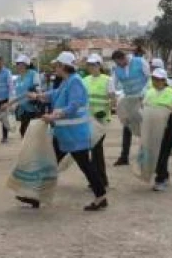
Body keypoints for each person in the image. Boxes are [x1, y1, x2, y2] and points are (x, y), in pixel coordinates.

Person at [24, 51, 109, 211]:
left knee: (85, 166)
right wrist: (38, 96)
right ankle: (35, 196)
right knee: (50, 163)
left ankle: (101, 196)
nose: (54, 68)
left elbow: (74, 105)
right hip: (66, 134)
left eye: (56, 65)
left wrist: (54, 115)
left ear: (63, 66)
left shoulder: (75, 82)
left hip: (75, 135)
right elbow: (55, 94)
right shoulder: (67, 81)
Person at [83, 54, 116, 189]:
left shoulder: (108, 80)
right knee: (92, 150)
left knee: (96, 149)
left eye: (94, 65)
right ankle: (97, 179)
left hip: (101, 119)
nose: (91, 67)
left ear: (100, 66)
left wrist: (107, 109)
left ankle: (100, 180)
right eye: (90, 65)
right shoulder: (84, 80)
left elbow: (112, 98)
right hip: (87, 119)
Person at [111, 49, 150, 166]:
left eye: (119, 63)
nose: (118, 66)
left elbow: (149, 78)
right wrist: (117, 95)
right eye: (116, 64)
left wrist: (144, 93)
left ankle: (146, 155)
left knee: (144, 128)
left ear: (124, 58)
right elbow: (114, 84)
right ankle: (124, 156)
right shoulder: (117, 69)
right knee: (127, 127)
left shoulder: (140, 62)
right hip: (129, 99)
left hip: (143, 99)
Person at [145, 68, 172, 192]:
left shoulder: (171, 92)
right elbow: (145, 106)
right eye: (154, 79)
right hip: (154, 126)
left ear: (164, 80)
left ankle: (160, 179)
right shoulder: (149, 92)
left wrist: (168, 107)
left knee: (163, 154)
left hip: (168, 127)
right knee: (156, 153)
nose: (156, 81)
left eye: (158, 79)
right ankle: (164, 176)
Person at [12, 55, 42, 137]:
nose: (17, 66)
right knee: (23, 130)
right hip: (22, 108)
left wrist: (40, 98)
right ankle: (28, 147)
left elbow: (38, 88)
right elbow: (17, 94)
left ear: (25, 65)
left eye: (19, 63)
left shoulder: (33, 74)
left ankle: (30, 147)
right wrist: (14, 104)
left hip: (32, 107)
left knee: (27, 130)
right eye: (17, 64)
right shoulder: (18, 78)